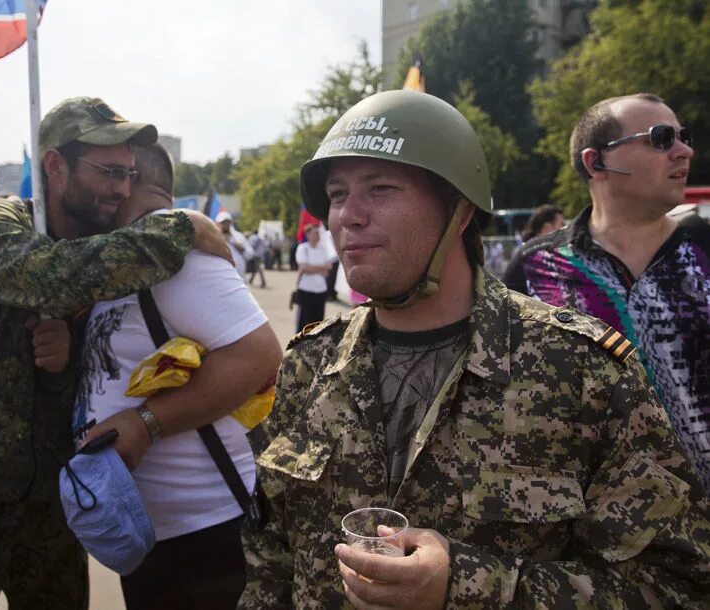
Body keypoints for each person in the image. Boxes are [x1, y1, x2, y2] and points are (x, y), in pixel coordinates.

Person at [239, 90, 710, 608]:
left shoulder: (580, 371)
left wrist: (466, 586)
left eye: (382, 188)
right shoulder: (308, 366)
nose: (349, 215)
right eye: (337, 194)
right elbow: (269, 566)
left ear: (459, 210)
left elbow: (675, 585)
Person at [0, 96, 230, 610]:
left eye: (130, 174)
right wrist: (183, 226)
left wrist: (67, 360)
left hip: (56, 487)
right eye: (110, 172)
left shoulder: (112, 242)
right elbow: (55, 271)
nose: (122, 189)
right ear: (55, 165)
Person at [72, 143, 283, 609]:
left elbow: (260, 355)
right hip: (152, 533)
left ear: (131, 184)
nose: (103, 195)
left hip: (205, 536)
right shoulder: (128, 260)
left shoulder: (179, 259)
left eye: (113, 177)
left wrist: (147, 422)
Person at [503, 93, 709, 492]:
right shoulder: (534, 269)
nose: (684, 151)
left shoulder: (704, 251)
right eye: (662, 138)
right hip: (591, 536)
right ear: (596, 162)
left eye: (685, 137)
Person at [292, 223, 332, 332]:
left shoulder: (323, 249)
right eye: (315, 233)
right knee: (303, 321)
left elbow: (329, 267)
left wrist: (312, 268)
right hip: (305, 289)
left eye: (318, 233)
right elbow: (304, 267)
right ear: (308, 235)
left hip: (321, 290)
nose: (317, 235)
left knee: (318, 322)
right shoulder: (302, 248)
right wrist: (321, 269)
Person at [216, 210, 253, 277]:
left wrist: (241, 248)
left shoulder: (238, 236)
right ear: (218, 223)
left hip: (239, 274)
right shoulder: (214, 238)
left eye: (228, 222)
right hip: (221, 274)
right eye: (223, 222)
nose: (226, 224)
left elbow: (250, 253)